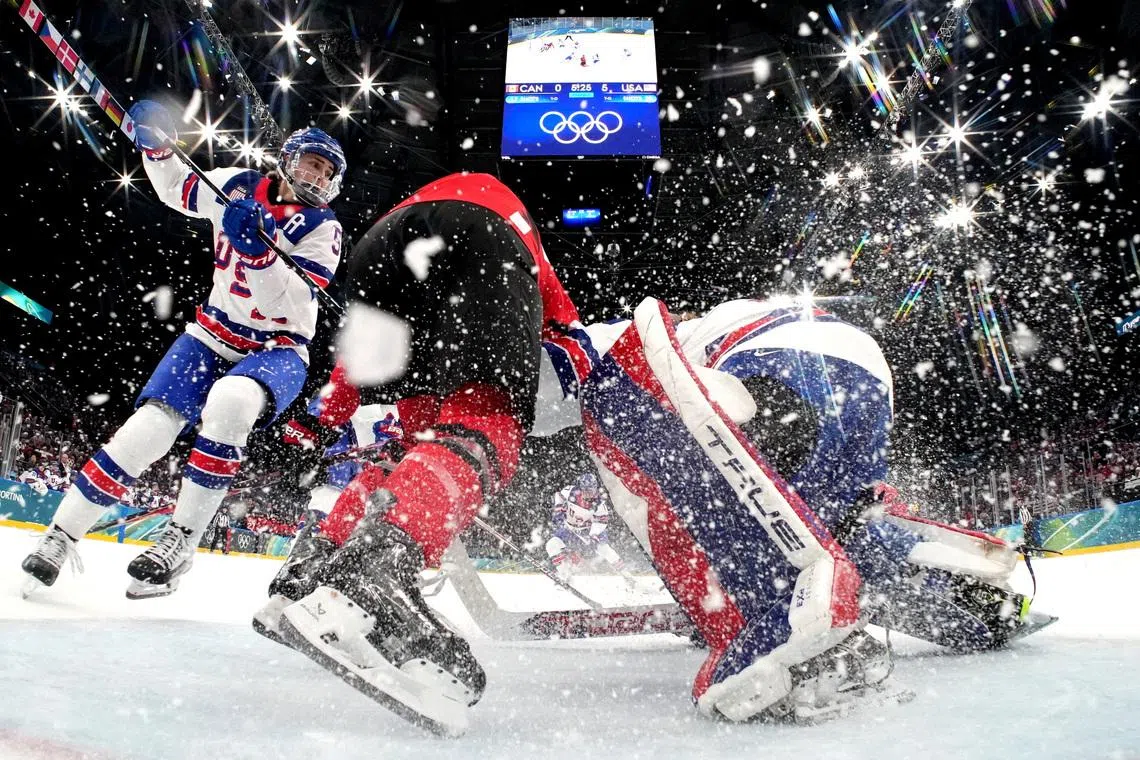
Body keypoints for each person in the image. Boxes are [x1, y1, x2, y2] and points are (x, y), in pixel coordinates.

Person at [260, 171, 592, 735]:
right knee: (486, 424)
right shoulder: (542, 282)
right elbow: (573, 347)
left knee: (423, 445)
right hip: (475, 236)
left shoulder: (441, 208)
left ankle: (313, 566)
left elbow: (349, 376)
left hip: (377, 252)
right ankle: (376, 570)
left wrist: (323, 420)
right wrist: (561, 385)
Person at [20, 99, 346, 600]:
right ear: (288, 158)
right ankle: (60, 536)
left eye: (327, 172)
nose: (318, 177)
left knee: (232, 401)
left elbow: (288, 309)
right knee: (145, 431)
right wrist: (156, 149)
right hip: (211, 334)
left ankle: (182, 541)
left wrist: (258, 251)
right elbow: (177, 190)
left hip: (277, 350)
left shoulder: (324, 229)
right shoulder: (239, 185)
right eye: (312, 163)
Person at [545, 471, 628, 582]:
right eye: (586, 490)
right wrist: (559, 509)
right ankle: (565, 576)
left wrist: (592, 534)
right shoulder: (570, 492)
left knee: (605, 549)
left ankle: (628, 576)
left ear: (595, 489)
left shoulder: (599, 504)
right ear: (581, 488)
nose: (589, 494)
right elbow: (558, 496)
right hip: (570, 529)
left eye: (591, 490)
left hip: (588, 532)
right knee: (552, 544)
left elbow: (602, 522)